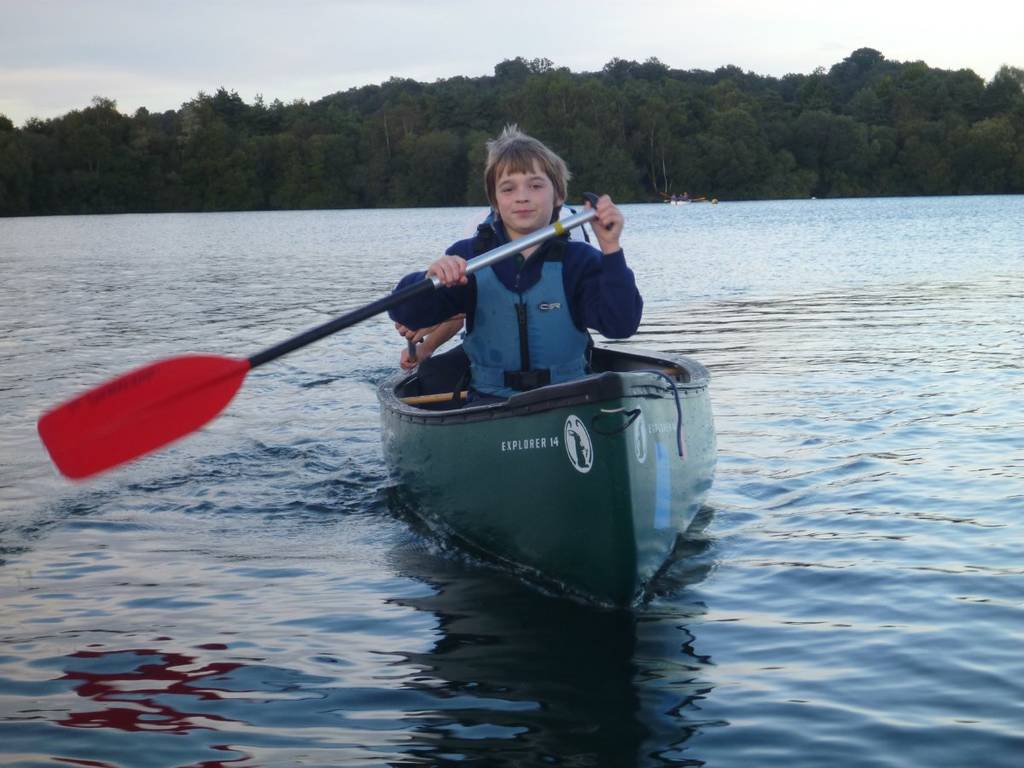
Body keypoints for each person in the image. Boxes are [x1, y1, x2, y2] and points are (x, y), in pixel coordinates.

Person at [388, 124, 643, 400]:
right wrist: (430, 278)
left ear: (558, 195)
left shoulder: (579, 261)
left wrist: (611, 249)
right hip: (489, 404)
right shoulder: (470, 257)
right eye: (508, 189)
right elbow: (406, 313)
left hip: (569, 400)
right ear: (495, 201)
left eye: (535, 185)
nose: (522, 197)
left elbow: (621, 325)